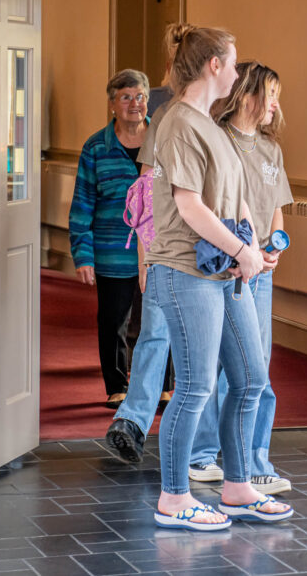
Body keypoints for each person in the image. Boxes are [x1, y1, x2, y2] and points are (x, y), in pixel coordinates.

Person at [146, 26, 292, 529]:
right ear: (213, 65)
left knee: (251, 377)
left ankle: (237, 486)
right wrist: (241, 251)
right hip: (186, 272)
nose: (236, 72)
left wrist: (251, 246)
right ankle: (174, 497)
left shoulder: (210, 123)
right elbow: (189, 205)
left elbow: (238, 198)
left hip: (227, 273)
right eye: (231, 64)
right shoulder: (177, 122)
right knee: (194, 387)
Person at [189, 62, 293, 495]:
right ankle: (203, 455)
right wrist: (241, 252)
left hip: (260, 272)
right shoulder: (216, 139)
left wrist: (276, 249)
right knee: (215, 366)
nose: (275, 104)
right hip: (225, 270)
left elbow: (276, 211)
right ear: (248, 94)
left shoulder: (271, 150)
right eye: (271, 93)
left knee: (257, 369)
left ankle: (253, 460)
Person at [105, 24, 196, 462]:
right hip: (165, 247)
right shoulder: (159, 111)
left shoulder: (222, 110)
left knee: (197, 346)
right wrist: (145, 255)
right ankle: (133, 422)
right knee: (154, 334)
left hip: (209, 249)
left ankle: (197, 440)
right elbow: (145, 191)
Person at [69, 69, 151, 409]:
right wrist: (83, 255)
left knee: (158, 319)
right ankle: (117, 385)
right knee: (114, 321)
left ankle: (162, 383)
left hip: (158, 250)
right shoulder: (96, 147)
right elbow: (82, 204)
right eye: (126, 97)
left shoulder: (164, 141)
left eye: (141, 96)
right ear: (112, 105)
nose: (135, 104)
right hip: (111, 250)